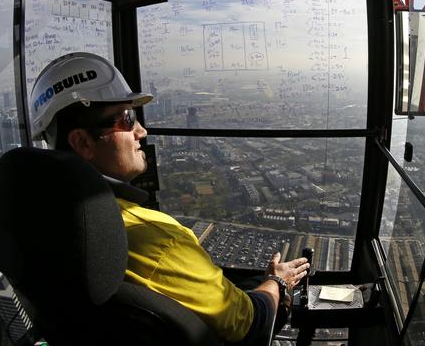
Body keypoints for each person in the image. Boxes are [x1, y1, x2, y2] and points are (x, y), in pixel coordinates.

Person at [29, 52, 310, 344]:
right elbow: (248, 325)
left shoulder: (40, 221)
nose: (142, 130)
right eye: (128, 118)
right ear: (83, 142)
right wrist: (279, 281)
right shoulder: (154, 238)